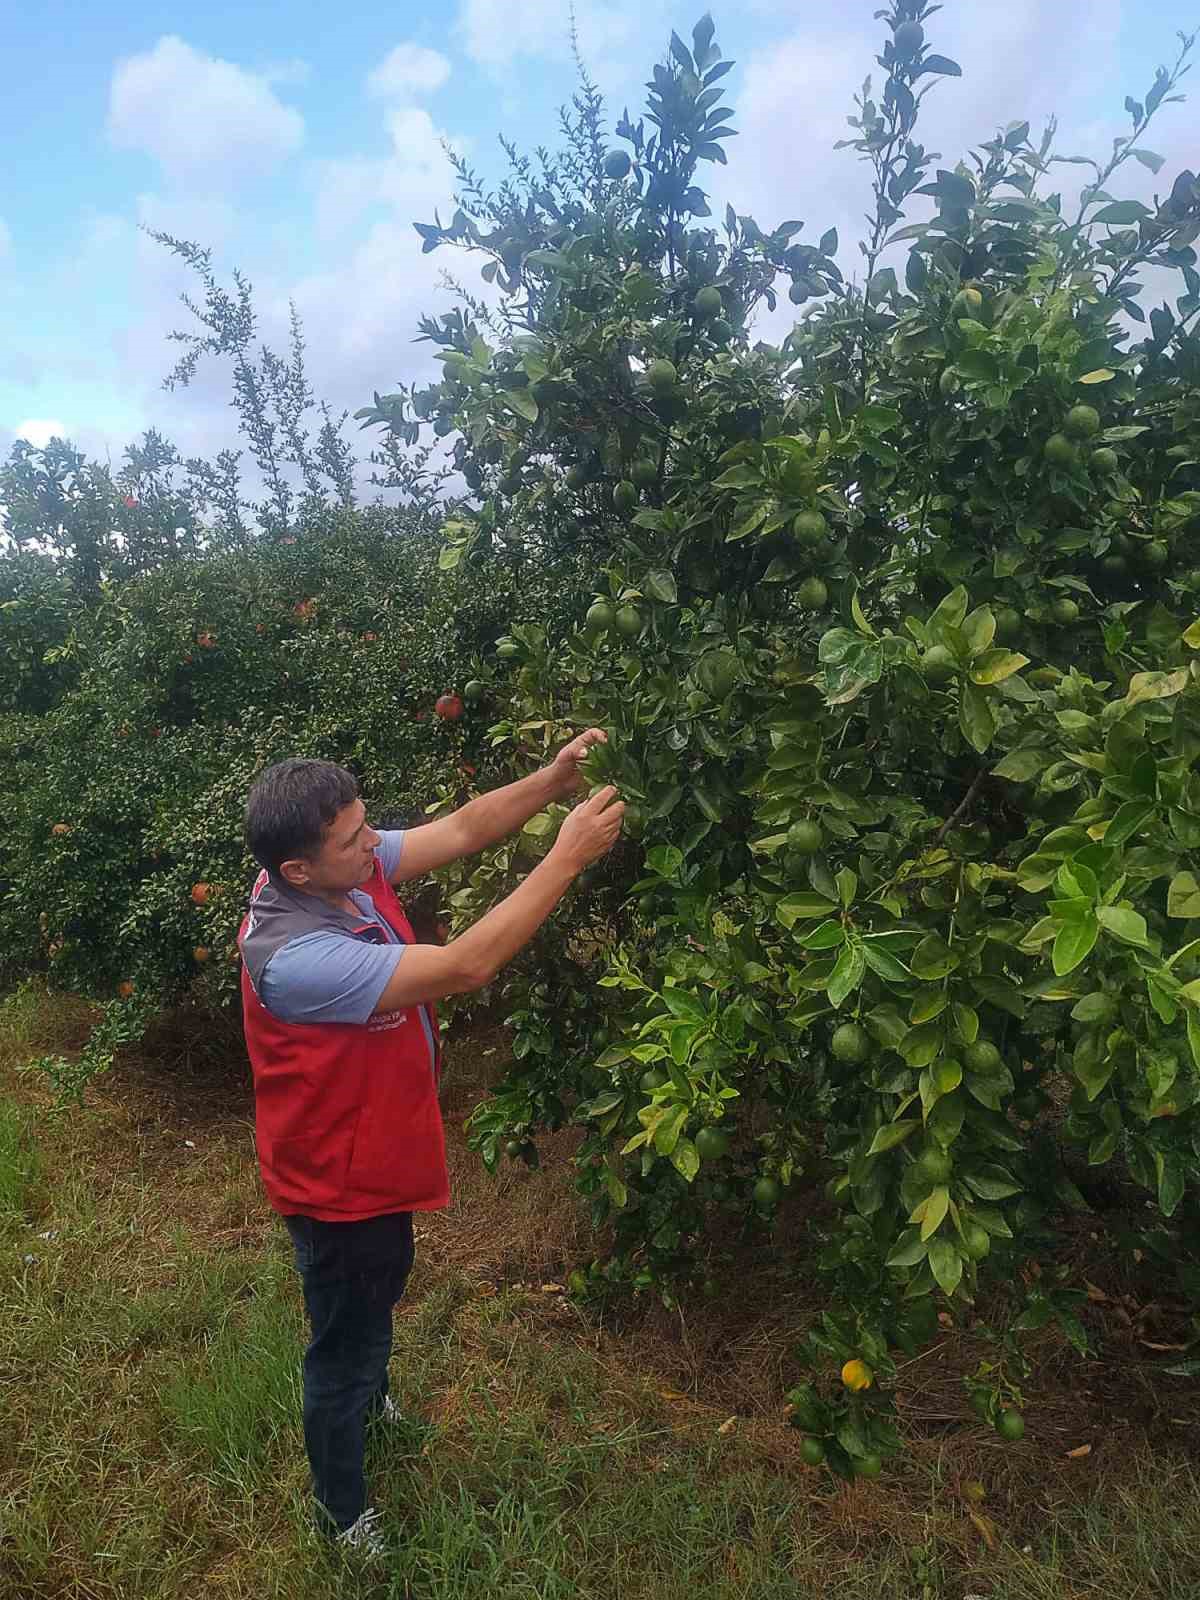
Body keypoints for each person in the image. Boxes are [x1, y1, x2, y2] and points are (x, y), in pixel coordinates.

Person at [237, 734, 623, 1560]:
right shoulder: (293, 958)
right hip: (337, 1181)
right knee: (342, 1341)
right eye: (353, 839)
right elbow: (464, 966)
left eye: (366, 826)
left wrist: (552, 779)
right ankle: (342, 1516)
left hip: (377, 1156)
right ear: (298, 870)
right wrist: (565, 859)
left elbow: (462, 829)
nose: (373, 844)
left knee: (374, 1296)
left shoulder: (344, 863)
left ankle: (372, 1400)